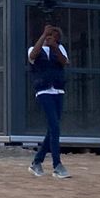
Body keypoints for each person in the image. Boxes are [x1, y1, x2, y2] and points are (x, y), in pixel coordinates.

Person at [28, 25, 70, 179]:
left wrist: (55, 46)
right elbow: (32, 56)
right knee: (54, 126)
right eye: (48, 35)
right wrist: (43, 36)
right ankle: (57, 165)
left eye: (54, 36)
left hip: (58, 91)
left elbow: (64, 61)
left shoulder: (60, 49)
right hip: (43, 91)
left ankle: (36, 162)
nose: (50, 37)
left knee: (53, 128)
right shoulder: (34, 48)